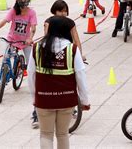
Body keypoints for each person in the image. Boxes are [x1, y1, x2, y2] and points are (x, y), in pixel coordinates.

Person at [28, 18, 90, 149]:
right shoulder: (72, 49)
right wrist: (84, 101)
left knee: (45, 134)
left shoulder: (37, 47)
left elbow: (31, 74)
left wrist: (35, 98)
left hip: (44, 100)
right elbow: (80, 75)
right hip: (66, 100)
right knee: (62, 134)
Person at [30, 0, 84, 129]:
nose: (63, 13)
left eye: (65, 10)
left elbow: (76, 39)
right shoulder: (49, 22)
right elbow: (46, 38)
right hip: (51, 54)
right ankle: (36, 113)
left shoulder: (70, 23)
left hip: (68, 52)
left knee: (73, 78)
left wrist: (80, 55)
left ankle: (71, 106)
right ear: (54, 11)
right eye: (60, 10)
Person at [0, 0, 37, 76]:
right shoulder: (13, 11)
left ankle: (22, 71)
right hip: (12, 39)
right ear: (17, 0)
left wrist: (30, 38)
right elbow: (4, 21)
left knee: (31, 64)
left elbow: (33, 27)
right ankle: (3, 79)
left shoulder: (31, 12)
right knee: (5, 58)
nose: (23, 1)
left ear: (29, 0)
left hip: (25, 41)